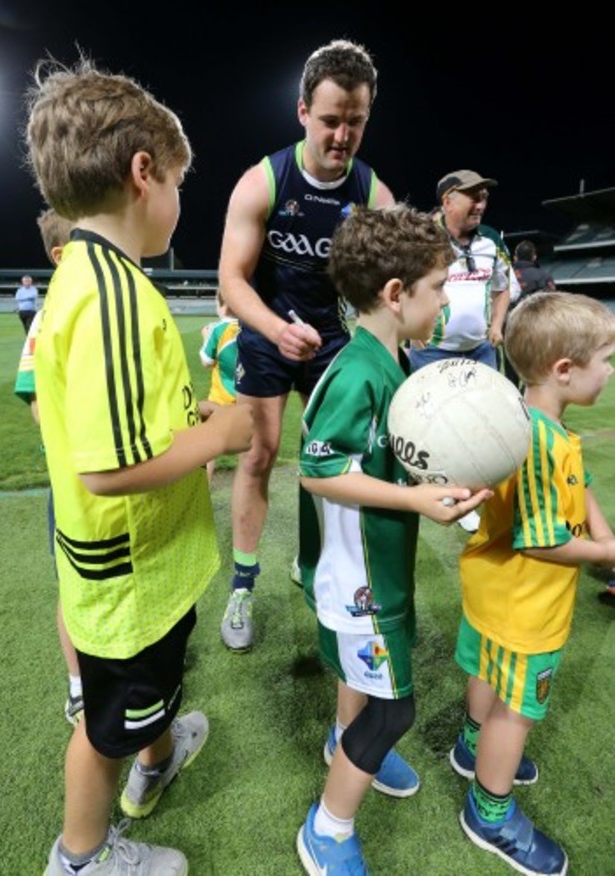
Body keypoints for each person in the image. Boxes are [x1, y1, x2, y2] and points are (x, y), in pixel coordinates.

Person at [25, 58, 253, 876]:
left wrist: (187, 423)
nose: (180, 202)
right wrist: (223, 436)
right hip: (129, 575)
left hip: (134, 567)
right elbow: (111, 468)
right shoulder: (113, 294)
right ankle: (82, 858)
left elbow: (119, 425)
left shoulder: (88, 278)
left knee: (148, 689)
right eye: (180, 183)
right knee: (103, 729)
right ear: (144, 173)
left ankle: (158, 754)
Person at [296, 204, 492, 874]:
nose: (446, 302)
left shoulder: (390, 358)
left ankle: (341, 740)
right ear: (395, 293)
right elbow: (319, 470)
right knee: (395, 710)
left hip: (374, 569)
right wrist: (413, 500)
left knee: (367, 688)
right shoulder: (359, 371)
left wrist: (439, 484)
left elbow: (384, 454)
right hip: (361, 583)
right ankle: (327, 829)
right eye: (438, 288)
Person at [218, 38, 395, 652]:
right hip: (268, 334)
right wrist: (275, 330)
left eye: (355, 121)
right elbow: (231, 281)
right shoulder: (263, 181)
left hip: (335, 343)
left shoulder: (374, 196)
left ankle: (312, 563)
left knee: (331, 461)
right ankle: (242, 585)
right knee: (259, 454)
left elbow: (388, 286)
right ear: (302, 112)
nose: (342, 135)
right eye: (330, 120)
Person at [450, 290, 615, 876]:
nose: (610, 371)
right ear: (564, 370)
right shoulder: (541, 442)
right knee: (515, 712)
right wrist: (603, 552)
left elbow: (579, 481)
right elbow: (541, 541)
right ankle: (489, 814)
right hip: (528, 605)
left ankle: (472, 748)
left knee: (487, 673)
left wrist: (601, 527)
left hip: (492, 589)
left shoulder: (527, 419)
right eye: (606, 360)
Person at [409, 169, 519, 533]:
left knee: (482, 426)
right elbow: (397, 281)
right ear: (447, 201)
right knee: (433, 427)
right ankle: (439, 492)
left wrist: (497, 324)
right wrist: (410, 325)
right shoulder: (421, 237)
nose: (481, 205)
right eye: (473, 196)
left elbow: (502, 287)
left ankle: (472, 493)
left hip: (480, 351)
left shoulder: (491, 240)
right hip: (432, 352)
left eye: (484, 197)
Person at [14, 207, 84, 725]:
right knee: (73, 583)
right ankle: (80, 685)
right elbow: (36, 398)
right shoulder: (48, 315)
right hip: (73, 478)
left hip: (112, 476)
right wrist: (74, 444)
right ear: (62, 256)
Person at [198, 289, 239, 482]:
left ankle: (204, 487)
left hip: (220, 399)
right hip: (247, 397)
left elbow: (206, 361)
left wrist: (205, 337)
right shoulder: (251, 328)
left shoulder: (218, 329)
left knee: (208, 445)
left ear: (223, 306)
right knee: (249, 446)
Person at [502, 240, 556, 386]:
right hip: (535, 327)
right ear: (534, 257)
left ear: (515, 257)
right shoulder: (544, 275)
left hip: (509, 327)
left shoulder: (505, 274)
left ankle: (512, 397)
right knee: (533, 369)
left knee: (510, 371)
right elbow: (551, 302)